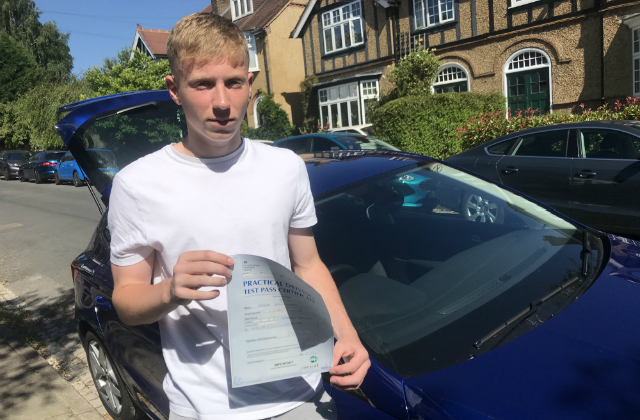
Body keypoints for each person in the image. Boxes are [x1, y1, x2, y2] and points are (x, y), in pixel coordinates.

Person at [108, 12, 370, 420]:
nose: (222, 103)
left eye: (233, 82)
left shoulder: (286, 167)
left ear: (249, 82)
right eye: (202, 85)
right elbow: (125, 299)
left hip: (299, 394)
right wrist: (171, 290)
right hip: (204, 407)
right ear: (174, 89)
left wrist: (347, 336)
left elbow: (308, 264)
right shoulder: (136, 185)